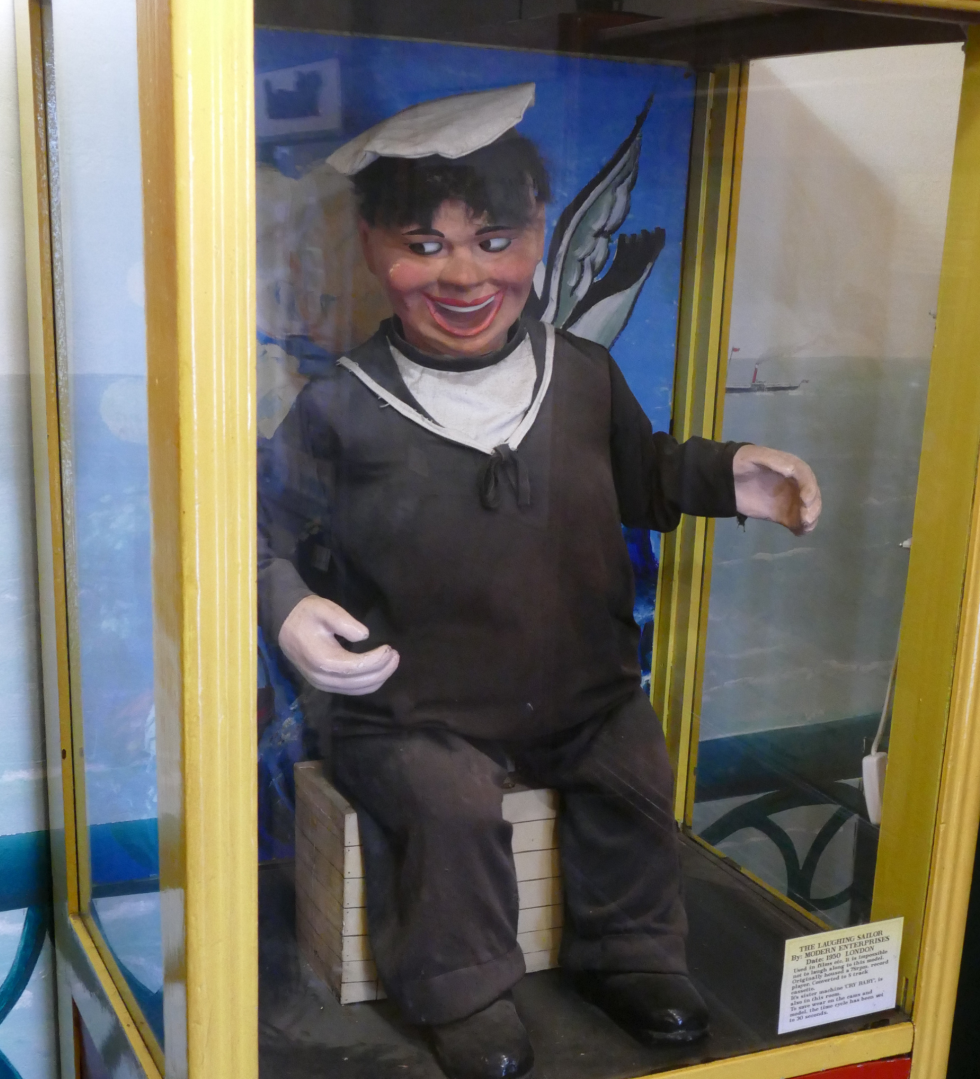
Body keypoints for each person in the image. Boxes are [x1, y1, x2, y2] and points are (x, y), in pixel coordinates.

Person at [258, 83, 821, 1079]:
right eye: (424, 245)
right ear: (372, 250)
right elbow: (264, 530)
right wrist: (287, 602)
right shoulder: (342, 406)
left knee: (634, 776)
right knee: (447, 806)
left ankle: (633, 953)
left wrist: (732, 475)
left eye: (493, 238)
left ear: (540, 235)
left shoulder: (585, 374)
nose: (464, 274)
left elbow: (642, 471)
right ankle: (465, 986)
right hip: (414, 709)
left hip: (582, 691)